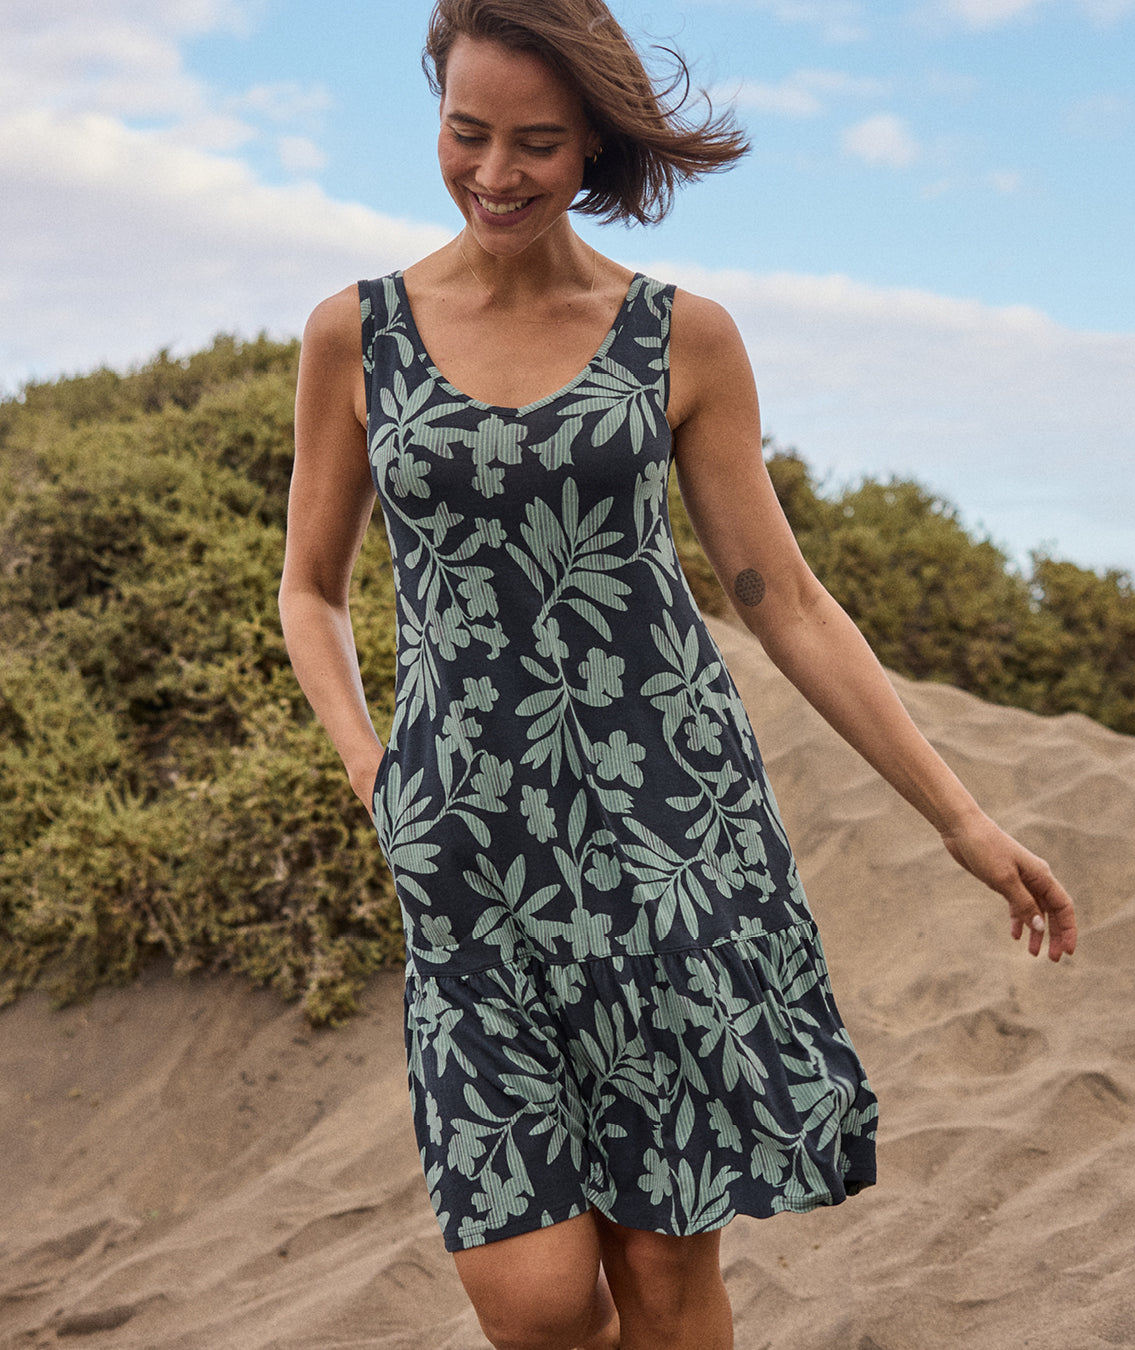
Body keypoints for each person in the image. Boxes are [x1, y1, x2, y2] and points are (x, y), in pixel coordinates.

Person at [278, 2, 1078, 1346]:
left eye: (537, 144)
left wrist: (963, 820)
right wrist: (375, 769)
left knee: (660, 1270)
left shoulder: (679, 337)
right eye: (467, 133)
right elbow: (309, 589)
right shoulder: (354, 336)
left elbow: (788, 604)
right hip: (470, 858)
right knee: (535, 1306)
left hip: (667, 842)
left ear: (594, 143)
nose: (495, 173)